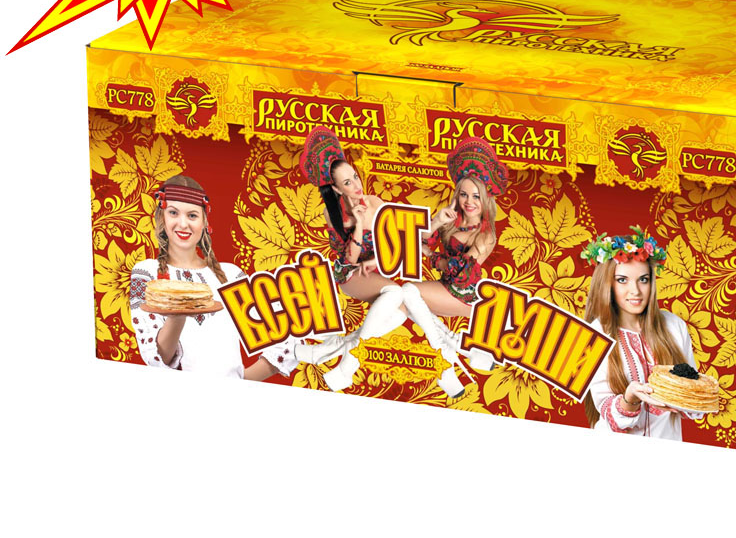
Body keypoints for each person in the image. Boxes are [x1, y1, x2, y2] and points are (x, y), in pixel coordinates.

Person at [293, 126, 424, 390]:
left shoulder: (375, 201)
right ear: (336, 188)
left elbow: (397, 241)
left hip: (375, 272)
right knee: (396, 294)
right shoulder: (333, 215)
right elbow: (350, 260)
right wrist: (360, 224)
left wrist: (376, 261)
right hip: (350, 274)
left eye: (355, 176)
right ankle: (345, 368)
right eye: (347, 183)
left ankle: (327, 352)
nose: (357, 186)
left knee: (402, 310)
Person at [130, 175, 297, 379]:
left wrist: (241, 381)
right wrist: (178, 314)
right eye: (173, 212)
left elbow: (285, 336)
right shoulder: (146, 274)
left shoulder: (232, 275)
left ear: (204, 222)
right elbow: (157, 358)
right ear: (161, 217)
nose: (183, 224)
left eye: (192, 215)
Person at [396, 136, 508, 394]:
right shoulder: (453, 220)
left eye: (476, 196)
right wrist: (437, 220)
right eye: (464, 194)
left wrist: (431, 256)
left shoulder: (486, 234)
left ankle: (445, 360)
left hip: (465, 295)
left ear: (485, 199)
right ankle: (456, 346)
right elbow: (417, 241)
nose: (469, 201)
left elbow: (461, 273)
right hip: (445, 288)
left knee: (407, 292)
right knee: (402, 302)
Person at [581, 228, 702, 440]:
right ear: (607, 284)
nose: (635, 291)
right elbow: (607, 411)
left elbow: (693, 403)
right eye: (622, 280)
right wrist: (630, 399)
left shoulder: (675, 326)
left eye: (643, 279)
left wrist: (690, 396)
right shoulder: (595, 333)